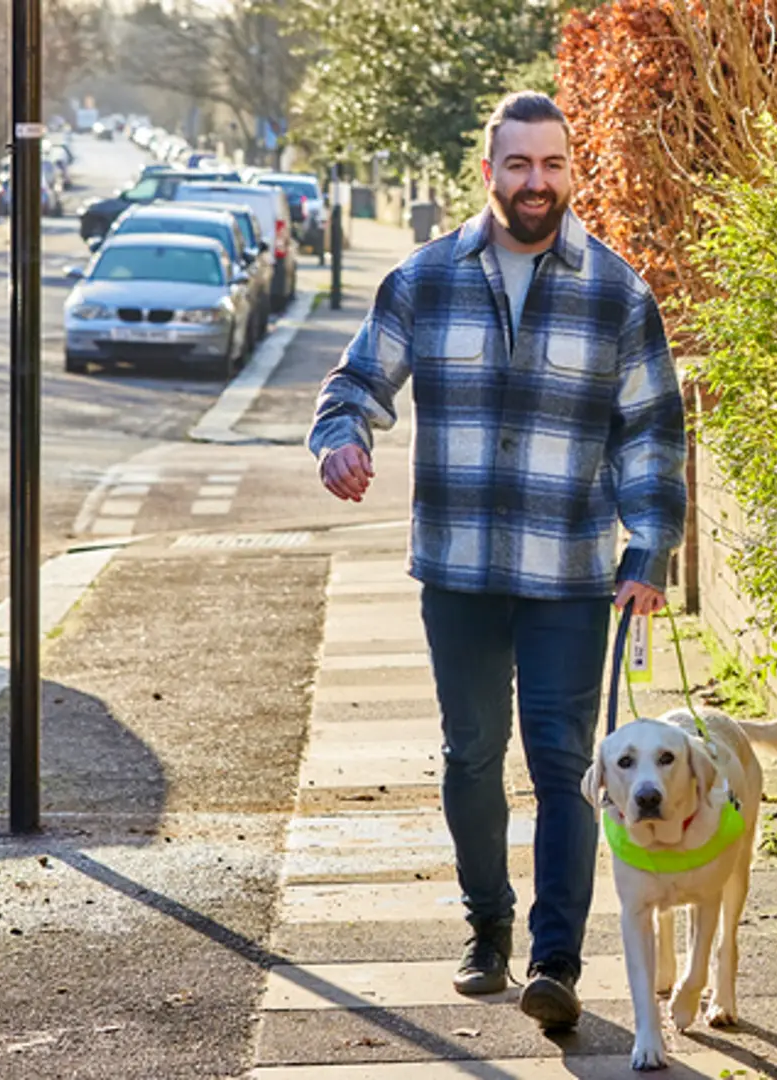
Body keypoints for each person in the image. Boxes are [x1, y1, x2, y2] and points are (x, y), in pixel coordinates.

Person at [309, 91, 687, 1032]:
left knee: (562, 763)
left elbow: (650, 433)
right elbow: (357, 379)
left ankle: (557, 960)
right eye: (518, 166)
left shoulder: (616, 292)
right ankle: (488, 931)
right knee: (472, 754)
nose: (536, 183)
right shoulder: (425, 279)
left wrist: (649, 546)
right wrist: (341, 437)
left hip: (568, 573)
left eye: (552, 164)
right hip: (462, 569)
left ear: (571, 169)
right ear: (489, 173)